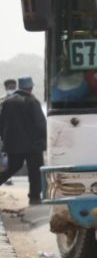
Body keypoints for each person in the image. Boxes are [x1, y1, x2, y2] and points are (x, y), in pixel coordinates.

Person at [0, 76, 47, 204]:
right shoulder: (32, 101)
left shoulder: (7, 102)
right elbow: (40, 124)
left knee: (12, 167)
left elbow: (1, 123)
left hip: (13, 145)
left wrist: (5, 140)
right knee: (35, 171)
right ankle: (34, 197)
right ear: (30, 87)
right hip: (33, 145)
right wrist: (44, 141)